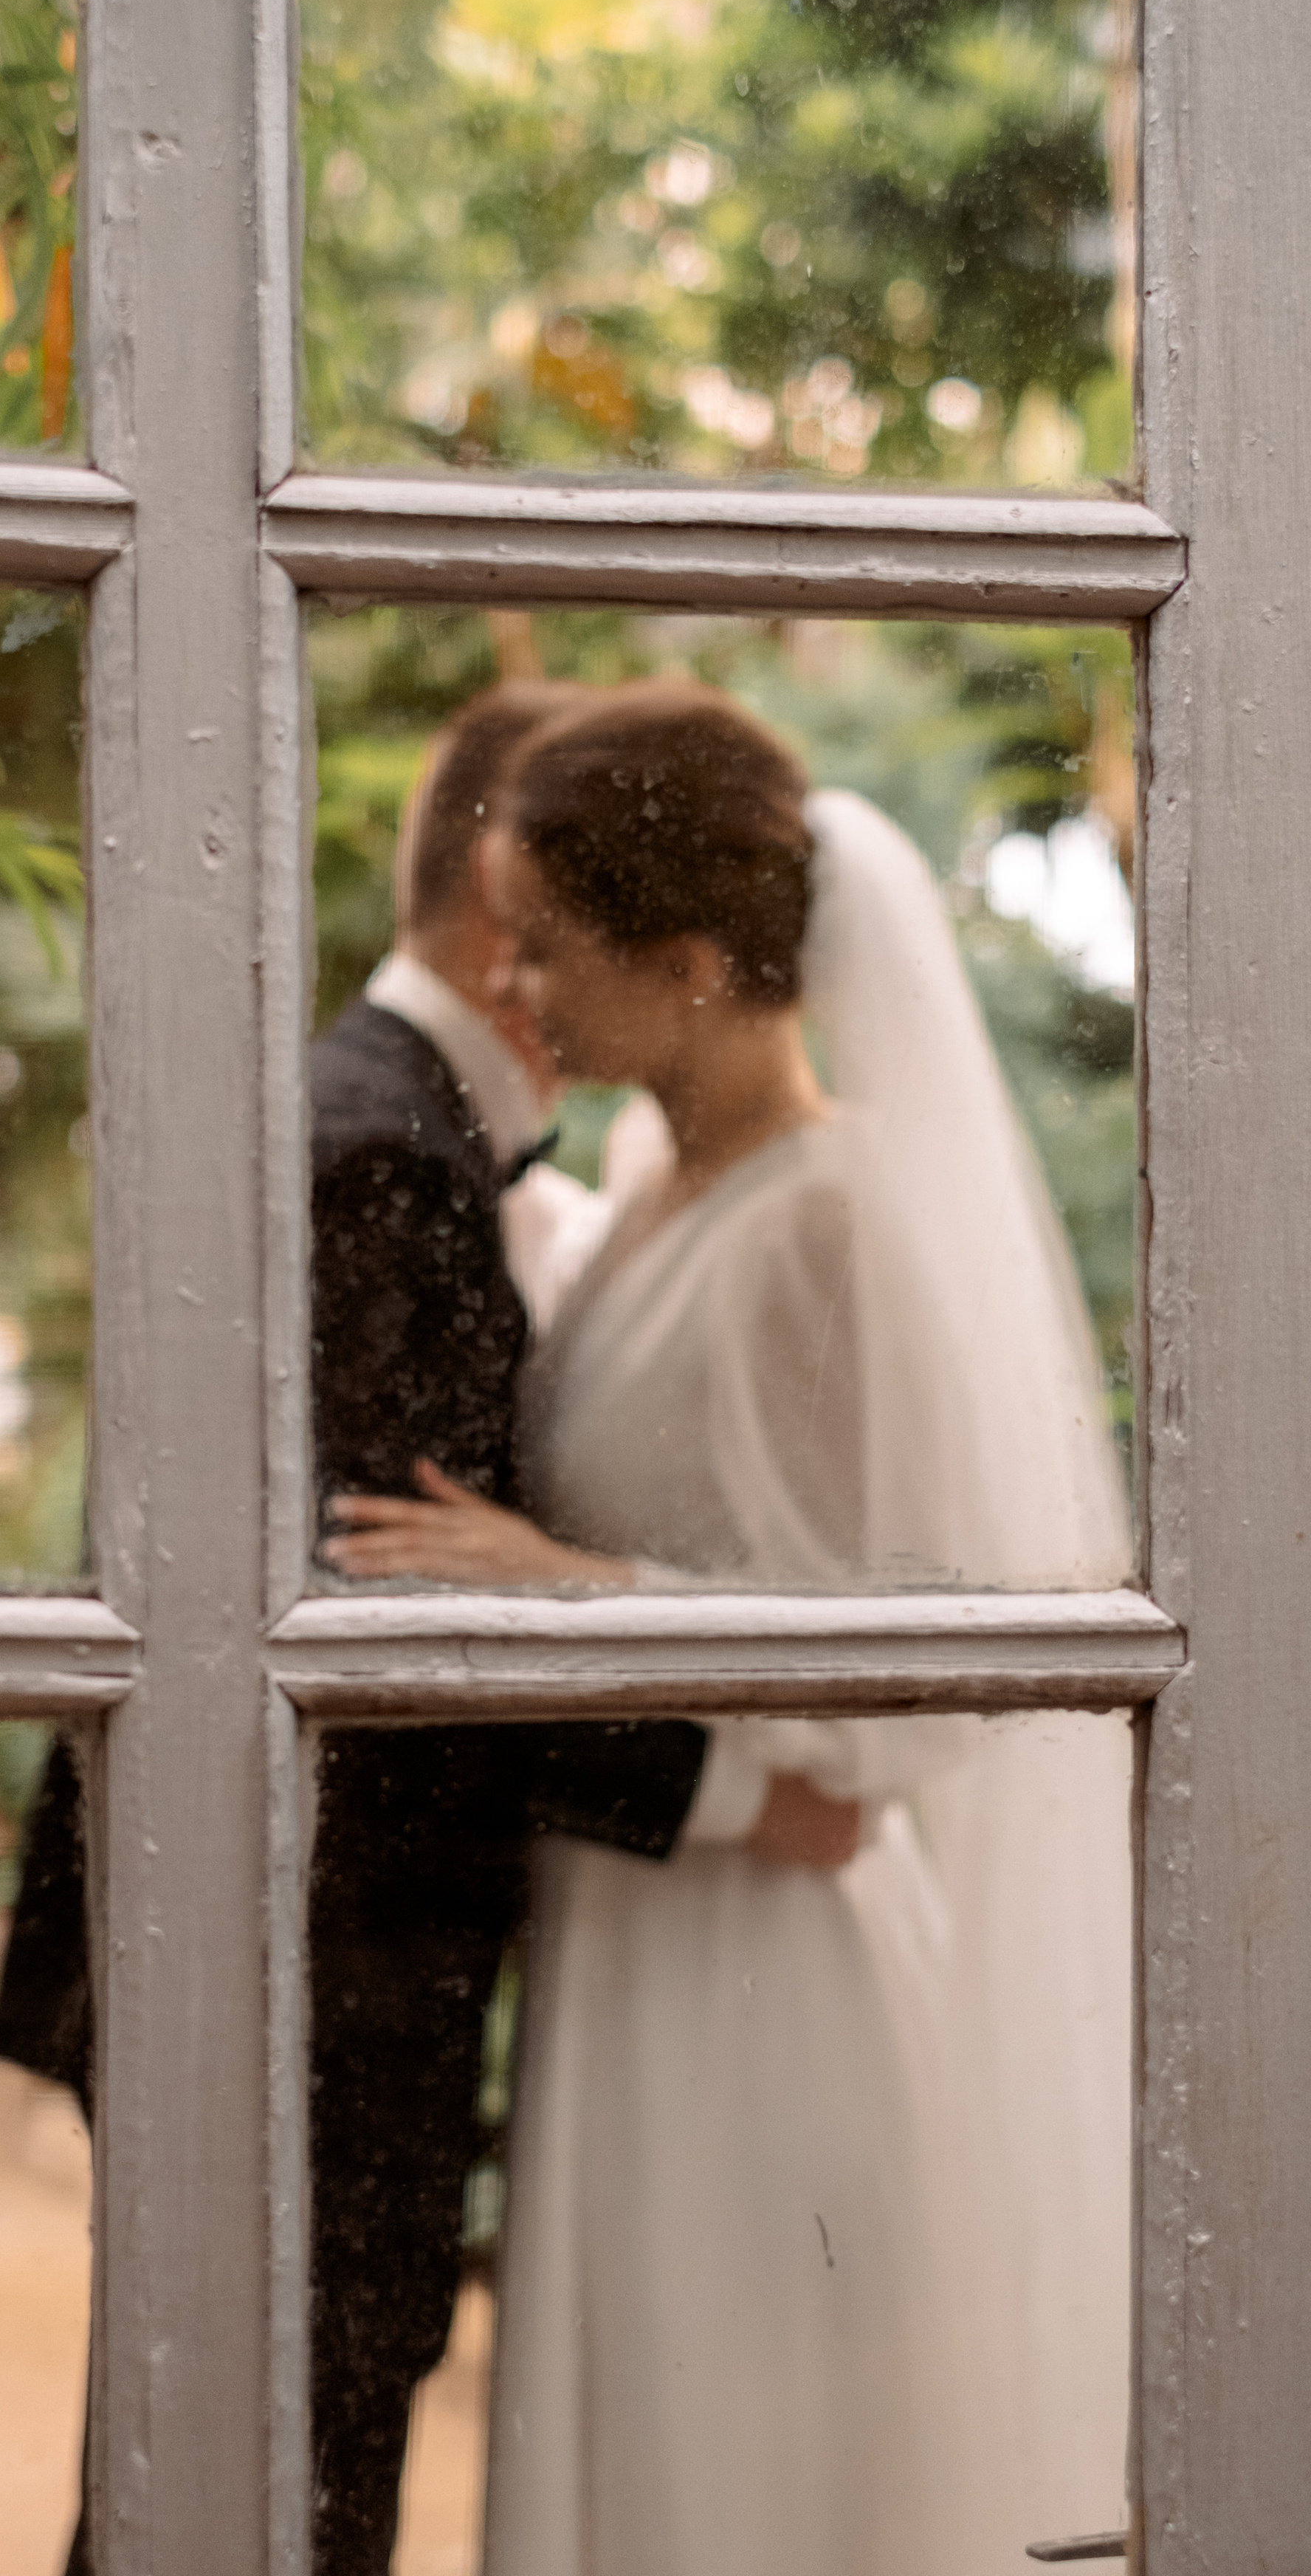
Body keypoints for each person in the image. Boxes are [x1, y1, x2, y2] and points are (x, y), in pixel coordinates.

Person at [0, 683, 843, 2576]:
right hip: (312, 1961)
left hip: (301, 1948)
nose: (546, 978)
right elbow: (390, 1607)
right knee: (261, 2492)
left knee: (220, 2477)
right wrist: (718, 1785)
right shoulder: (386, 1154)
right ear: (494, 900)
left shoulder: (381, 1126)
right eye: (533, 932)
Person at [325, 681, 1134, 2576]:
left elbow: (938, 1669)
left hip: (768, 1995)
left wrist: (582, 1595)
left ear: (688, 964)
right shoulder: (630, 1178)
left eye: (552, 952)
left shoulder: (834, 1226)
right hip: (639, 1945)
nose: (515, 988)